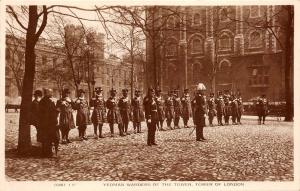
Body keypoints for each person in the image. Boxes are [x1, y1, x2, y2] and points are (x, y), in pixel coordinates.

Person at [39, 88, 60, 157]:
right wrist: (56, 111)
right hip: (47, 123)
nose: (52, 94)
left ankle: (48, 152)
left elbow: (53, 111)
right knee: (47, 138)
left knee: (49, 138)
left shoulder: (49, 101)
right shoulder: (44, 102)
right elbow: (46, 113)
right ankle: (47, 153)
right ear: (46, 93)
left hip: (50, 123)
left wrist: (56, 110)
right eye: (50, 93)